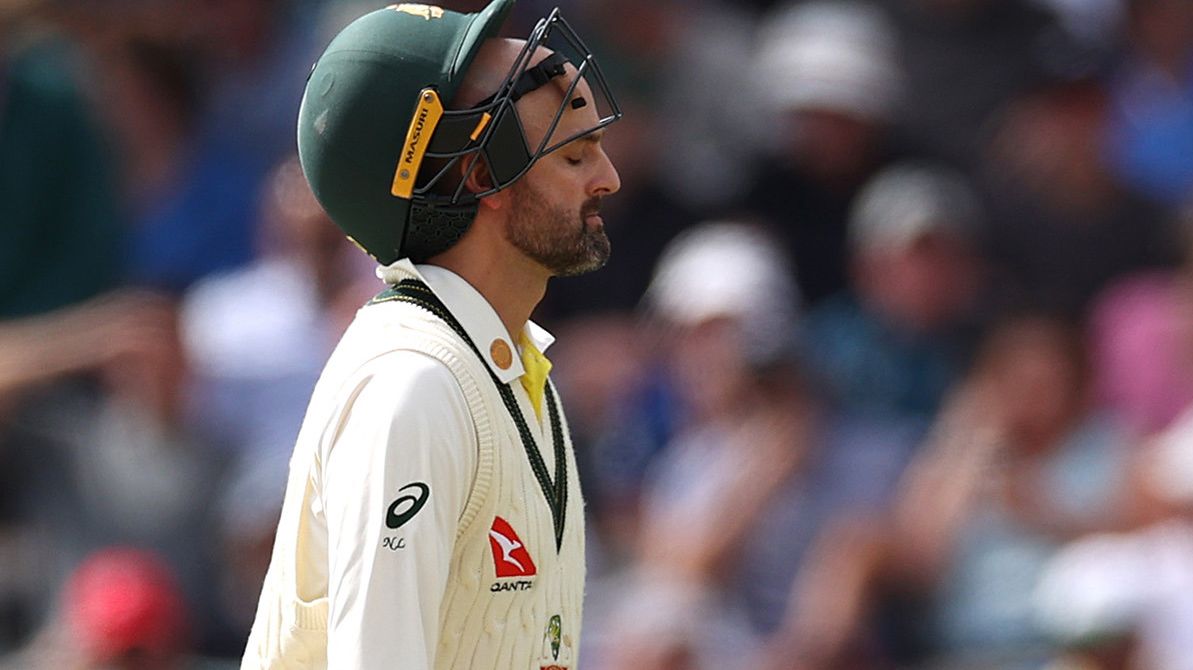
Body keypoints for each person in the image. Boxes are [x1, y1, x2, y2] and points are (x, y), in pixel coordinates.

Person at [241, 1, 621, 668]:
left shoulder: (508, 369)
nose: (609, 178)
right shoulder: (415, 388)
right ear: (479, 175)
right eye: (574, 156)